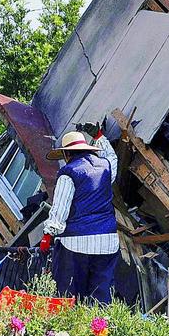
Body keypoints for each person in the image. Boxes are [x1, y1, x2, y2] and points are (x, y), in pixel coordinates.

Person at [40, 120, 119, 304]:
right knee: (102, 296)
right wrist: (99, 137)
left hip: (75, 244)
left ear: (67, 154)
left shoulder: (68, 173)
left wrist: (47, 235)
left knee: (69, 296)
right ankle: (100, 328)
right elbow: (112, 158)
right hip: (108, 241)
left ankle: (69, 330)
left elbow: (60, 209)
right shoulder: (105, 167)